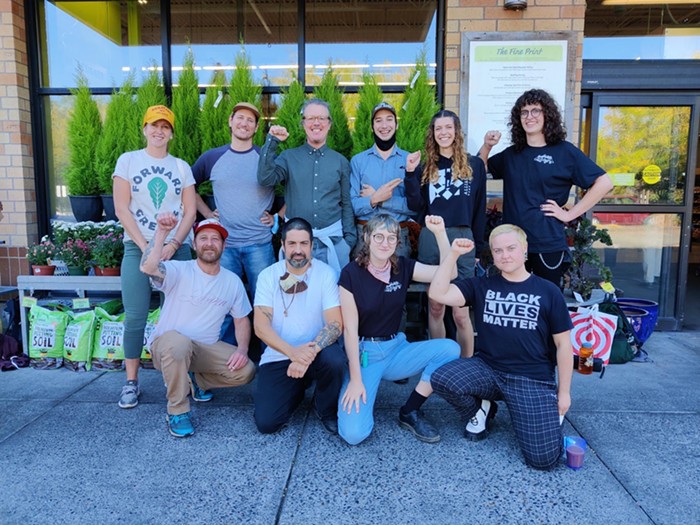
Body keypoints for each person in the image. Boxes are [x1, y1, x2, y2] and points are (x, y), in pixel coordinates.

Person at [428, 224, 574, 470]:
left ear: (525, 250)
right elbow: (438, 292)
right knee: (442, 378)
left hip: (531, 379)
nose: (505, 255)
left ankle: (539, 414)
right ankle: (483, 408)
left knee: (543, 460)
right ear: (492, 255)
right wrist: (452, 254)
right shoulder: (482, 285)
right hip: (488, 369)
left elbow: (563, 345)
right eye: (498, 251)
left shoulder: (548, 291)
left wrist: (564, 392)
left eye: (511, 248)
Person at [338, 214, 460, 445]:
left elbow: (450, 274)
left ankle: (410, 409)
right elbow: (350, 330)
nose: (385, 243)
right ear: (367, 238)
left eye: (391, 238)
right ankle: (348, 383)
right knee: (354, 434)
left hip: (396, 349)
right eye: (379, 236)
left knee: (450, 349)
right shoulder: (350, 274)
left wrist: (440, 234)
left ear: (397, 242)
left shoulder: (402, 267)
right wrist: (356, 380)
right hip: (366, 355)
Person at [479, 89, 613, 287]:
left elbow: (605, 183)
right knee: (515, 303)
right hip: (512, 245)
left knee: (545, 305)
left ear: (547, 115)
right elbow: (479, 170)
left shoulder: (564, 152)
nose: (529, 116)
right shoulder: (512, 154)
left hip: (546, 243)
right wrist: (487, 146)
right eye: (524, 112)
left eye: (535, 111)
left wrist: (570, 214)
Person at [140, 213, 255, 437]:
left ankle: (195, 380)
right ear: (194, 244)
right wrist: (162, 233)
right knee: (179, 343)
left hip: (203, 350)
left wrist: (242, 350)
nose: (209, 243)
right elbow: (148, 268)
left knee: (246, 371)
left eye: (215, 239)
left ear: (224, 245)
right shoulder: (178, 270)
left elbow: (242, 320)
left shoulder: (232, 281)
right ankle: (177, 411)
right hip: (168, 346)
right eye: (203, 238)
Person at [113, 105, 197, 410]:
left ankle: (183, 377)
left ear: (171, 133)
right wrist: (148, 246)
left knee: (178, 318)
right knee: (135, 315)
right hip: (138, 246)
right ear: (144, 129)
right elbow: (122, 208)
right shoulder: (129, 161)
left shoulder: (180, 166)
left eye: (165, 127)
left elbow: (189, 211)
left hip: (177, 249)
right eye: (153, 125)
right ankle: (131, 382)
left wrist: (173, 244)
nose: (159, 131)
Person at [192, 101, 276, 344]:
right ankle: (222, 357)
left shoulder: (265, 157)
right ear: (230, 121)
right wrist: (207, 213)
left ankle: (268, 356)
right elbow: (189, 186)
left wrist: (278, 215)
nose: (244, 123)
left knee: (264, 304)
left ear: (257, 127)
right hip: (224, 246)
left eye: (250, 120)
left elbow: (295, 186)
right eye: (240, 117)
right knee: (223, 304)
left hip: (260, 244)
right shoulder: (212, 157)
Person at [404, 109, 486, 358]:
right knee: (436, 306)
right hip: (432, 239)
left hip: (463, 238)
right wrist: (409, 173)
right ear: (432, 133)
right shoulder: (426, 165)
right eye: (438, 128)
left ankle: (466, 365)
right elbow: (416, 206)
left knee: (461, 311)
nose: (443, 133)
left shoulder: (474, 165)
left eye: (448, 127)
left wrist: (479, 249)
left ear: (456, 131)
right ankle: (437, 362)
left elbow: (479, 208)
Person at [253, 217, 346, 435]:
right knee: (267, 423)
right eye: (292, 244)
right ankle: (297, 386)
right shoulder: (268, 276)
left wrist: (307, 354)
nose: (298, 250)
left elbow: (335, 324)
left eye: (304, 243)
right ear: (283, 246)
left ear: (312, 246)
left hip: (317, 351)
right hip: (280, 354)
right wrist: (293, 353)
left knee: (335, 360)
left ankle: (324, 407)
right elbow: (260, 327)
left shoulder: (325, 274)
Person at [257, 99, 355, 275]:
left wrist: (348, 241)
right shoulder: (288, 157)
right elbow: (265, 179)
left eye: (321, 118)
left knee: (332, 299)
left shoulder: (340, 161)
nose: (316, 123)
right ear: (303, 123)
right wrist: (272, 143)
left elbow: (346, 203)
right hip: (296, 246)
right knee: (295, 295)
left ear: (329, 124)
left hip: (332, 244)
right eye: (310, 118)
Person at [350, 102, 415, 258]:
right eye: (378, 120)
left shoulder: (409, 160)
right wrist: (374, 199)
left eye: (389, 119)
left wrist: (380, 199)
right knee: (364, 282)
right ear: (372, 126)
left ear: (396, 124)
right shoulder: (358, 161)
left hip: (398, 238)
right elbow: (352, 205)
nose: (384, 125)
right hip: (365, 237)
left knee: (397, 282)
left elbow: (415, 207)